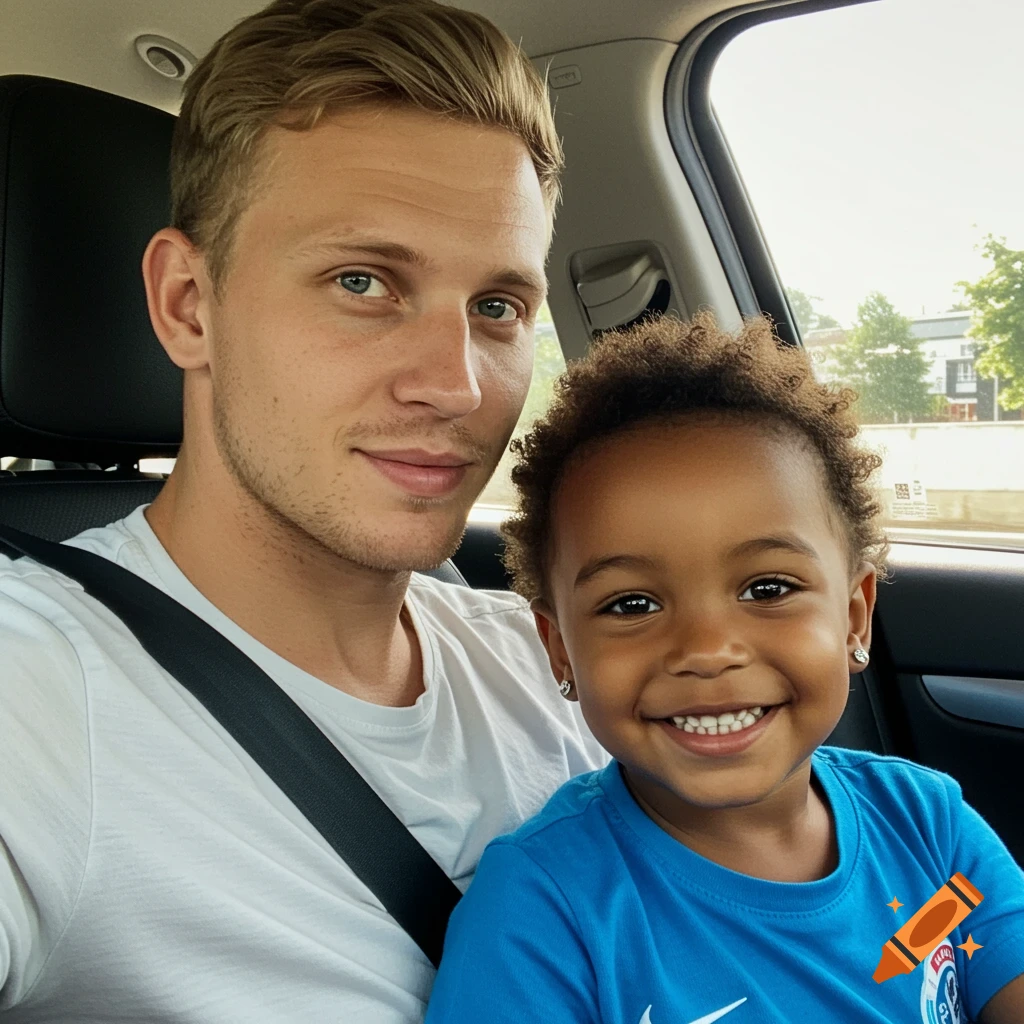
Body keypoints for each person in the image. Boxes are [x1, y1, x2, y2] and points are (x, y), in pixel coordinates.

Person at [0, 1, 605, 1020]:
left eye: (496, 307)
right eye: (363, 281)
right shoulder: (37, 693)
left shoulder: (550, 665)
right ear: (189, 303)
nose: (455, 386)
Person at [424, 312, 1024, 1024]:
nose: (706, 650)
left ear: (855, 617)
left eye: (767, 589)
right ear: (561, 652)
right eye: (632, 603)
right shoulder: (543, 907)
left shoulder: (928, 824)